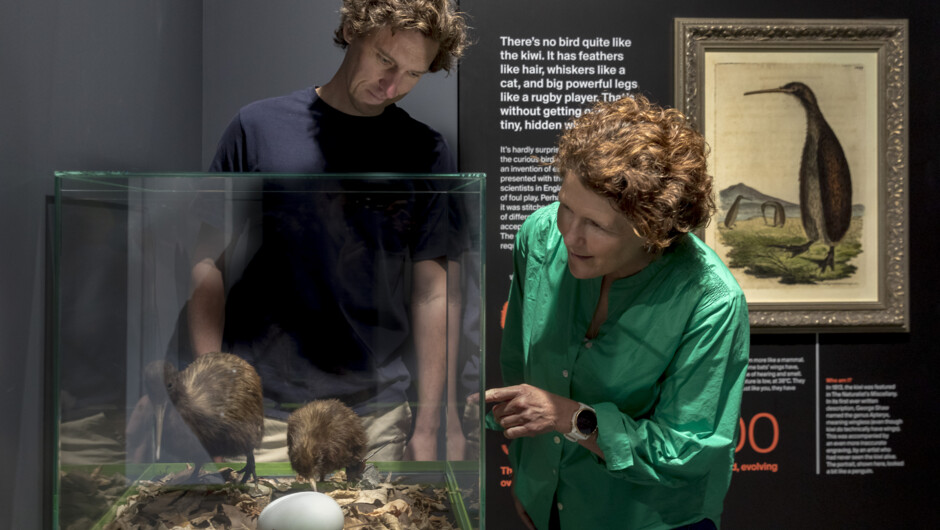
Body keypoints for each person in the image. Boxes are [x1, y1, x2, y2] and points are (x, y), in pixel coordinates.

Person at [185, 0, 471, 464]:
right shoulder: (258, 128)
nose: (392, 86)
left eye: (413, 74)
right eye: (385, 60)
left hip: (376, 415)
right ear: (353, 30)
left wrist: (432, 424)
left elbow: (434, 293)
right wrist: (213, 403)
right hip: (265, 412)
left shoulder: (425, 151)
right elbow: (206, 260)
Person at [484, 94, 750, 529]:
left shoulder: (711, 301)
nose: (569, 235)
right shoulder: (539, 236)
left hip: (650, 519)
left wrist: (570, 417)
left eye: (597, 226)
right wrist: (532, 480)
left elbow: (685, 451)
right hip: (549, 502)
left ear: (652, 231)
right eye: (566, 207)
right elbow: (519, 366)